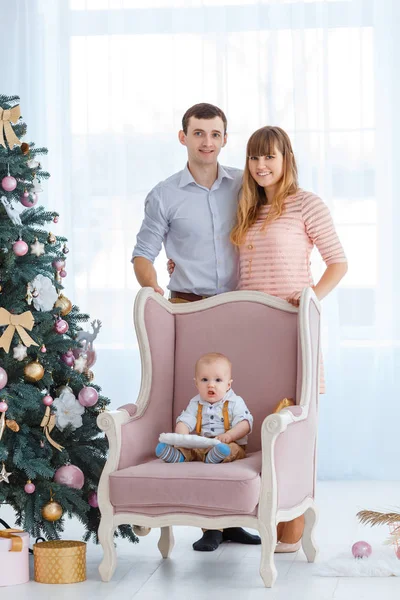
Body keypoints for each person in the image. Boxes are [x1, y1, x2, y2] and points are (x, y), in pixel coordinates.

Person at [132, 103, 260, 552]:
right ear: (182, 136)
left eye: (216, 134)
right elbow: (143, 255)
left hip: (241, 305)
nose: (207, 141)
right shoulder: (164, 194)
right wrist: (158, 297)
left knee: (232, 403)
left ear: (226, 139)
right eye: (198, 132)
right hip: (188, 307)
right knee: (201, 405)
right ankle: (209, 526)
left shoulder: (244, 185)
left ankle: (231, 520)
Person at [230, 125, 348, 551]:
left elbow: (337, 262)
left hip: (294, 329)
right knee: (258, 417)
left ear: (286, 160)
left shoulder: (306, 205)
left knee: (294, 420)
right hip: (251, 331)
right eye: (254, 158)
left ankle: (292, 524)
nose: (262, 166)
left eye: (270, 157)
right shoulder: (244, 209)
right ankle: (263, 514)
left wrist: (308, 299)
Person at [156, 352, 252, 464]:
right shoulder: (195, 403)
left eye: (218, 380)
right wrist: (181, 439)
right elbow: (185, 421)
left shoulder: (235, 402)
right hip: (203, 443)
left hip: (229, 442)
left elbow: (245, 424)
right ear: (196, 383)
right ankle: (178, 455)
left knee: (233, 450)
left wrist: (229, 435)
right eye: (205, 380)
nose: (211, 385)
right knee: (191, 449)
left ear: (228, 385)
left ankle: (216, 455)